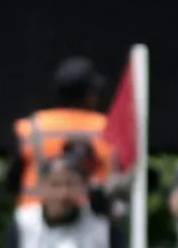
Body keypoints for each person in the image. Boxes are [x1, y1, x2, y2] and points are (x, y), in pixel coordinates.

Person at [7, 56, 112, 208]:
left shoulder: (31, 127)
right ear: (89, 95)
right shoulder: (106, 128)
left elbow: (12, 183)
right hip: (90, 222)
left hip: (33, 220)